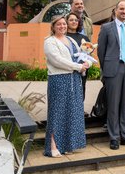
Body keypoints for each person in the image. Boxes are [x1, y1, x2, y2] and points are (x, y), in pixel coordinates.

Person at [43, 15, 88, 157]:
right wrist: (78, 66)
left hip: (73, 80)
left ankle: (67, 144)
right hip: (59, 79)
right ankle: (52, 146)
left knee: (71, 112)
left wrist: (87, 62)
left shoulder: (71, 40)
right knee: (57, 113)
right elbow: (57, 60)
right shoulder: (50, 41)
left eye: (64, 24)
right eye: (59, 24)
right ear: (53, 27)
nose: (62, 26)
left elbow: (80, 55)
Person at [97, 1, 125, 150]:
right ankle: (114, 137)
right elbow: (101, 51)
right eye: (121, 9)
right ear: (115, 10)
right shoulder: (107, 27)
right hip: (113, 69)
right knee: (113, 104)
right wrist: (106, 68)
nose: (124, 11)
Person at [66, 12, 90, 101]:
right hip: (68, 68)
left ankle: (80, 110)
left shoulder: (84, 37)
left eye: (76, 20)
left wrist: (88, 63)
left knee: (81, 87)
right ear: (67, 22)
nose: (74, 22)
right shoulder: (63, 37)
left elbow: (89, 53)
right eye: (71, 20)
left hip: (82, 69)